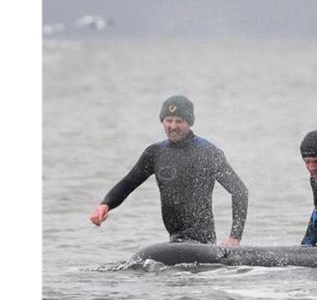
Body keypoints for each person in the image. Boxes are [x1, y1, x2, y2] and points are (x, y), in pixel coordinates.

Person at [89, 95, 248, 245]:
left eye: (179, 121)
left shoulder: (208, 152)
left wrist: (235, 237)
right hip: (174, 240)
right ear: (162, 121)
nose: (172, 126)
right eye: (168, 120)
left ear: (189, 122)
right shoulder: (156, 153)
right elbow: (128, 183)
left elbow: (240, 191)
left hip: (202, 243)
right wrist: (105, 204)